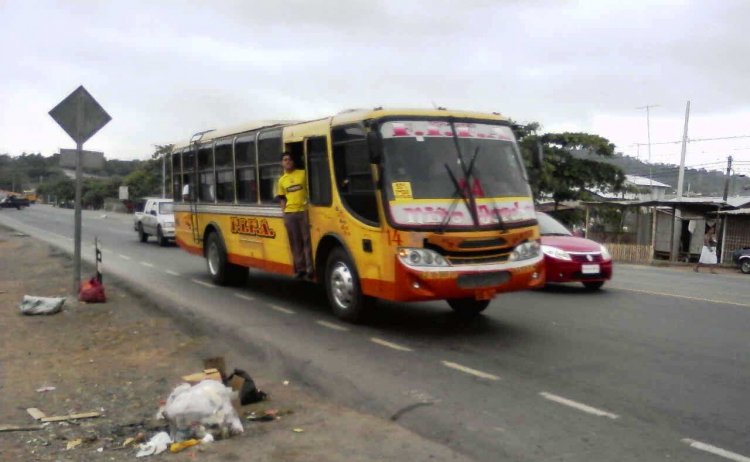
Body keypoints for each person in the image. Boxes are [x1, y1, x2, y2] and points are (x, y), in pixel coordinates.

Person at [276, 152, 313, 279]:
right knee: (295, 242)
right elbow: (282, 199)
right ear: (282, 163)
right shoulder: (281, 181)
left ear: (293, 162)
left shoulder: (303, 174)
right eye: (285, 160)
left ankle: (309, 268)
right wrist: (284, 215)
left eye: (290, 159)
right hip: (290, 214)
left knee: (307, 240)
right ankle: (300, 268)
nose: (287, 162)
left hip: (304, 211)